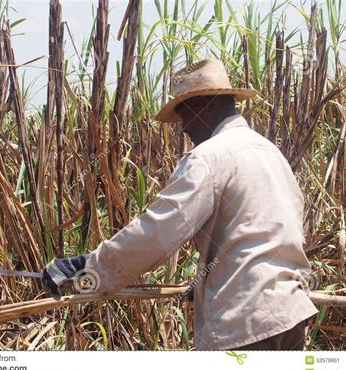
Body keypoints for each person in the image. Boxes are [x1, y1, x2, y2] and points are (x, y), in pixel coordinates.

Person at [42, 59, 318, 350]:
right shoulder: (271, 153)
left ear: (206, 105)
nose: (184, 127)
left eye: (185, 114)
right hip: (290, 317)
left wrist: (89, 269)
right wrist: (206, 288)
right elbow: (271, 237)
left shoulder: (209, 157)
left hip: (244, 324)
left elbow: (159, 232)